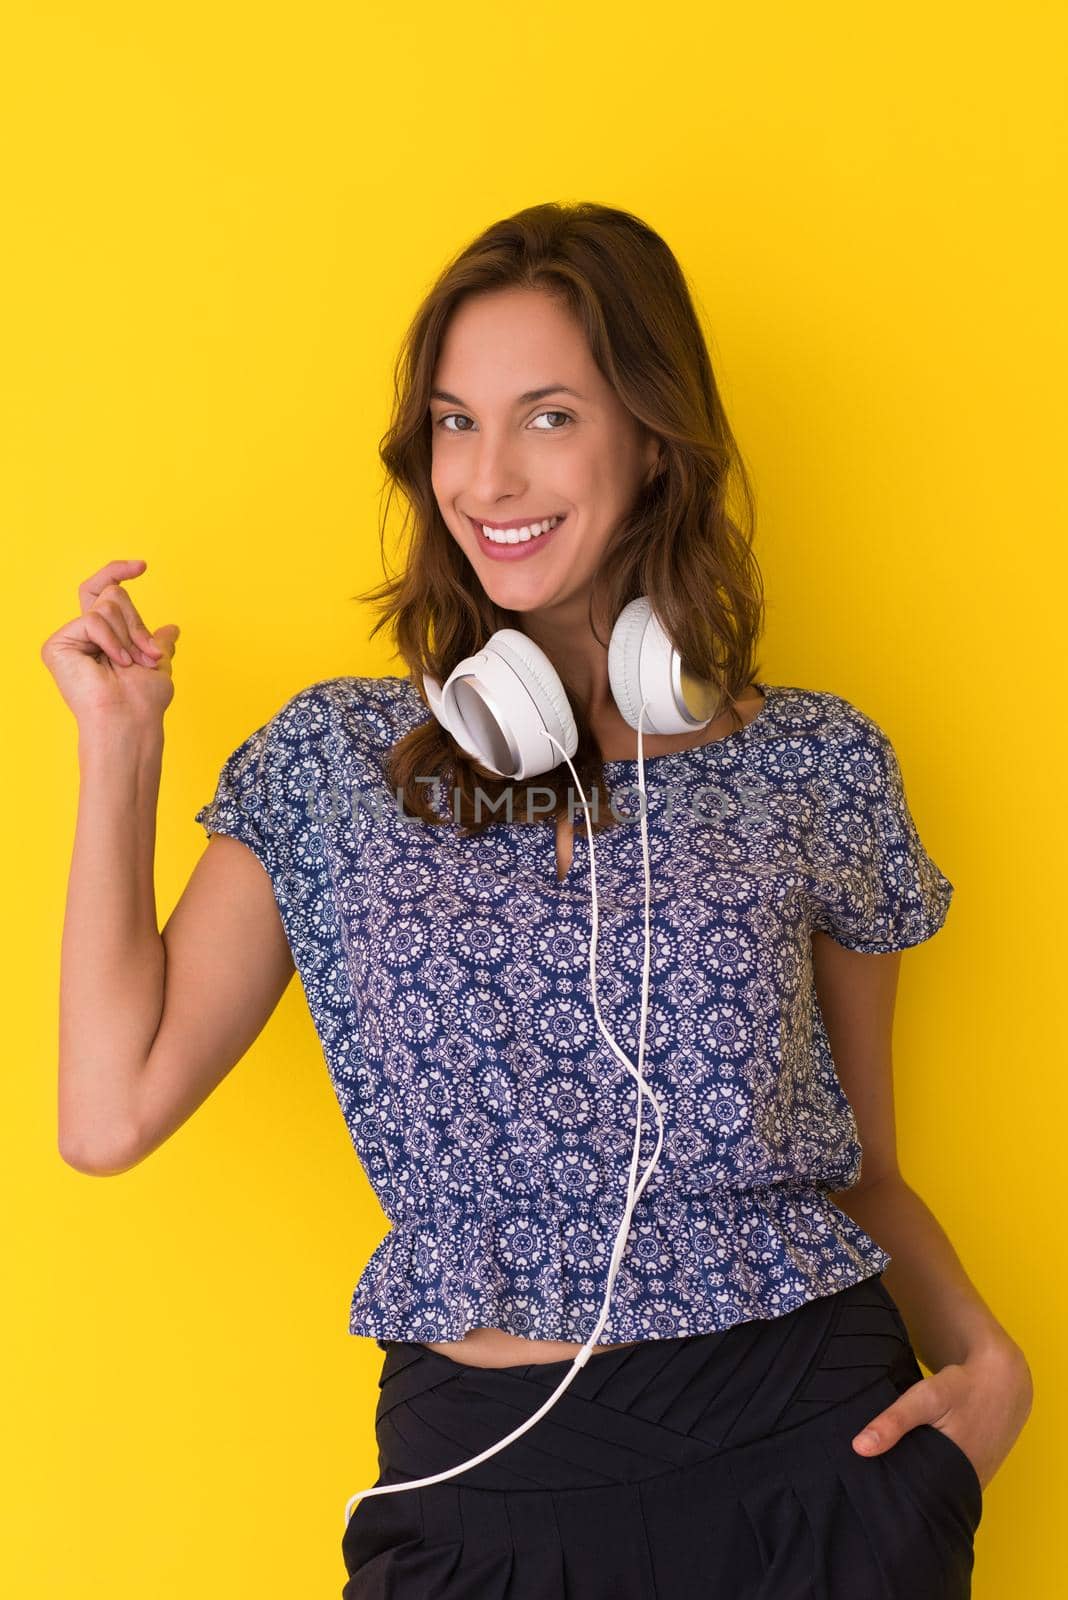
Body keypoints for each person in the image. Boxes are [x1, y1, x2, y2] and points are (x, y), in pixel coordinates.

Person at [42, 201, 1033, 1599]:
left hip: (817, 1457)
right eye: (454, 424)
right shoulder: (333, 764)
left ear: (651, 437)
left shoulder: (816, 763)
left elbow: (863, 1164)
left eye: (549, 417)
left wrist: (992, 1370)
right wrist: (121, 741)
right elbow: (107, 1111)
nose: (489, 476)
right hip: (479, 1481)